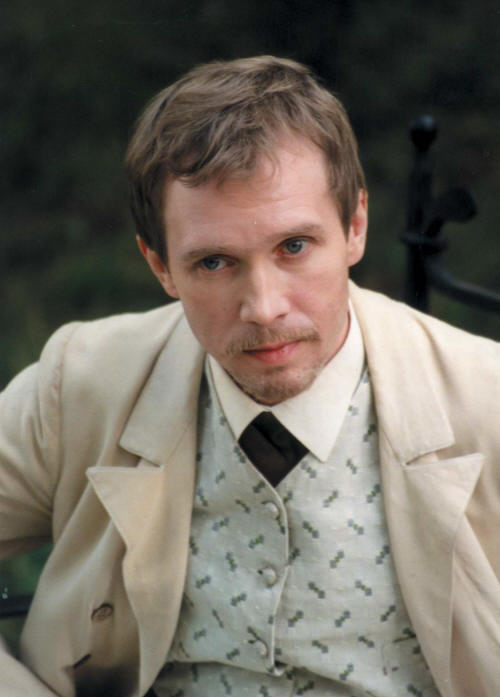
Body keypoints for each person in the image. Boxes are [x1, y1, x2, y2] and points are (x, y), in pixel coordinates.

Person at [0, 56, 499, 697]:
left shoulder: (483, 398)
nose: (264, 307)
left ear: (355, 227)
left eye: (294, 247)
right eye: (214, 262)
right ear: (160, 266)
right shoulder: (84, 382)